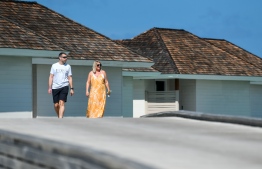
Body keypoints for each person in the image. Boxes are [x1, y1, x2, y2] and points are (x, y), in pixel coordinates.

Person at [48, 52, 74, 118]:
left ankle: (60, 118)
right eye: (64, 57)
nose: (66, 58)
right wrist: (49, 87)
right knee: (56, 105)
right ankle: (59, 116)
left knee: (61, 103)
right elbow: (51, 76)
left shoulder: (68, 66)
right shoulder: (54, 66)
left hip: (64, 86)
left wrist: (71, 88)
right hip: (55, 87)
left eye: (66, 57)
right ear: (60, 58)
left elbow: (70, 77)